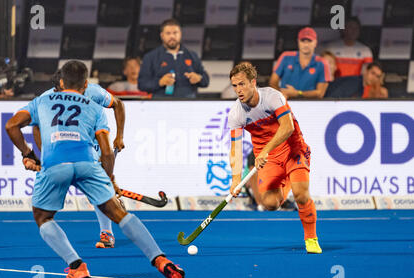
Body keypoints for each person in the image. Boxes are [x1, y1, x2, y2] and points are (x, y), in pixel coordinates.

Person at [5, 60, 185, 278]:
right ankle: (161, 260)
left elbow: (11, 126)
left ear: (61, 81)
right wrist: (108, 179)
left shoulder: (41, 100)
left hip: (55, 165)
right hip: (88, 162)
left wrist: (29, 155)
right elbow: (107, 152)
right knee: (119, 213)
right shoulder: (93, 104)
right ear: (85, 84)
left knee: (43, 217)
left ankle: (76, 266)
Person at [228, 62, 322, 254]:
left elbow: (288, 127)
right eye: (235, 86)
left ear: (253, 82)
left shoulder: (272, 96)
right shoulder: (236, 113)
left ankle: (311, 238)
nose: (238, 90)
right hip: (270, 159)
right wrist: (236, 179)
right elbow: (236, 149)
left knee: (301, 195)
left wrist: (264, 151)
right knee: (269, 204)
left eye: (242, 84)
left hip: (293, 149)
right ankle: (287, 180)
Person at [34, 68, 126, 249]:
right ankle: (113, 202)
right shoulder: (46, 98)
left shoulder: (94, 92)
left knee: (98, 189)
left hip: (95, 143)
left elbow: (119, 104)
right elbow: (37, 126)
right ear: (58, 87)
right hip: (67, 146)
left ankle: (107, 233)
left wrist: (119, 137)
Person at [138, 18, 209, 98]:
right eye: (168, 33)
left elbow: (206, 81)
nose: (172, 36)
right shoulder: (150, 57)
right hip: (161, 106)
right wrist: (159, 82)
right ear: (162, 36)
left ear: (180, 34)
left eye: (175, 33)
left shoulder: (192, 55)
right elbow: (142, 84)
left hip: (187, 106)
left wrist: (199, 78)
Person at [269, 27, 330, 99]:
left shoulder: (322, 63)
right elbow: (273, 82)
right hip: (284, 102)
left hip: (310, 105)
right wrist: (280, 94)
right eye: (303, 41)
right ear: (298, 41)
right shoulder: (286, 56)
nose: (306, 44)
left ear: (315, 42)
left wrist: (297, 93)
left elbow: (320, 93)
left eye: (309, 41)